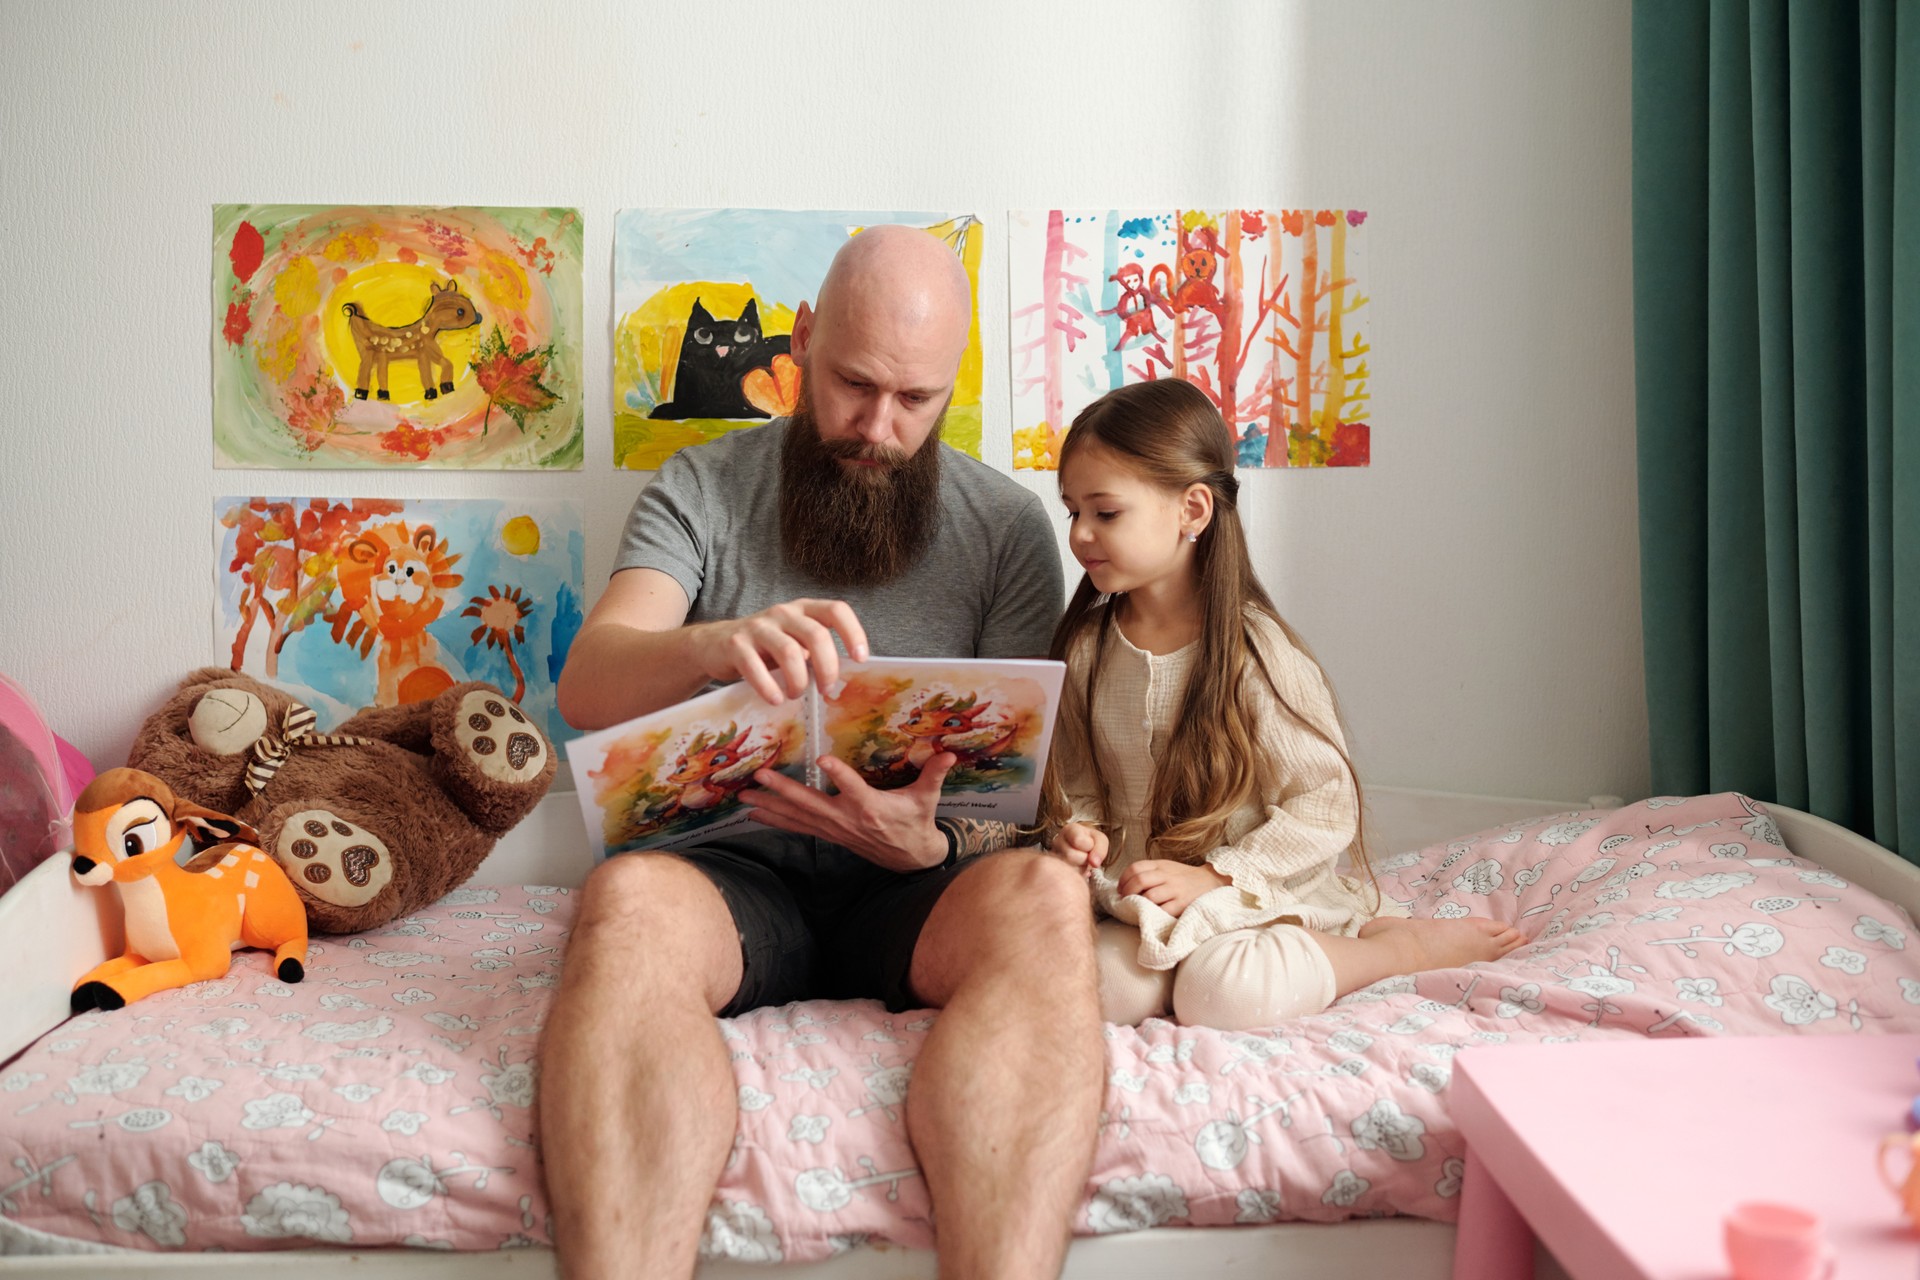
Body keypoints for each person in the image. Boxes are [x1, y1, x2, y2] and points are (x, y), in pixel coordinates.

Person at [542, 225, 1102, 1280]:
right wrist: (713, 643)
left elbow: (1024, 787)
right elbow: (588, 680)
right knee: (623, 906)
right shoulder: (699, 487)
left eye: (916, 399)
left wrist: (929, 845)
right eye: (852, 384)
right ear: (800, 340)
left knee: (1046, 900)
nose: (879, 427)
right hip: (728, 875)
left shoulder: (1007, 525)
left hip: (917, 891)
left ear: (951, 386)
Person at [1041, 378, 1524, 1030]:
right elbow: (1076, 782)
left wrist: (1216, 878)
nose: (1081, 536)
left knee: (1227, 996)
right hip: (1139, 898)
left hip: (1251, 895)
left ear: (1193, 511)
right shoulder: (1086, 652)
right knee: (1096, 993)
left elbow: (1323, 804)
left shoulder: (1255, 656)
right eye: (1074, 512)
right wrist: (1082, 835)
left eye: (1106, 512)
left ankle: (1389, 948)